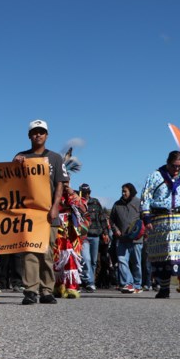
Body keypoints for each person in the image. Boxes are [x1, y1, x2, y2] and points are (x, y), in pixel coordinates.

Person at [13, 120, 69, 305]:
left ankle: (46, 290)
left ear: (47, 135)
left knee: (46, 252)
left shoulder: (55, 158)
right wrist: (15, 165)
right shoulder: (22, 157)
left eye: (41, 132)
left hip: (48, 213)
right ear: (29, 136)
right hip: (28, 213)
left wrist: (55, 206)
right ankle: (30, 290)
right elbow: (10, 183)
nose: (38, 135)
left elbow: (60, 183)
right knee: (29, 252)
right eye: (35, 132)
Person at [140, 150, 180, 299]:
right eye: (174, 166)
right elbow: (145, 197)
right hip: (162, 220)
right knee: (163, 256)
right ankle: (164, 288)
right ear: (167, 163)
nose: (176, 170)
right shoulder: (155, 176)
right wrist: (146, 218)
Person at [109, 182, 144, 293]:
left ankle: (137, 285)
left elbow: (144, 218)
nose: (123, 193)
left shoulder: (139, 203)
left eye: (125, 191)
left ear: (131, 191)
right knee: (122, 260)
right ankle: (127, 284)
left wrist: (142, 231)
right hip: (122, 239)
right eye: (122, 191)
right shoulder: (117, 204)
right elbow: (111, 220)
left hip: (136, 239)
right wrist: (116, 230)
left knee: (136, 263)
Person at [78, 183, 108, 293]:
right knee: (86, 259)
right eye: (84, 192)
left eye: (88, 192)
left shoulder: (95, 202)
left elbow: (102, 217)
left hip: (96, 235)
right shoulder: (78, 203)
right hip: (84, 235)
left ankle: (90, 282)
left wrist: (105, 232)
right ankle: (89, 282)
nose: (86, 195)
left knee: (94, 261)